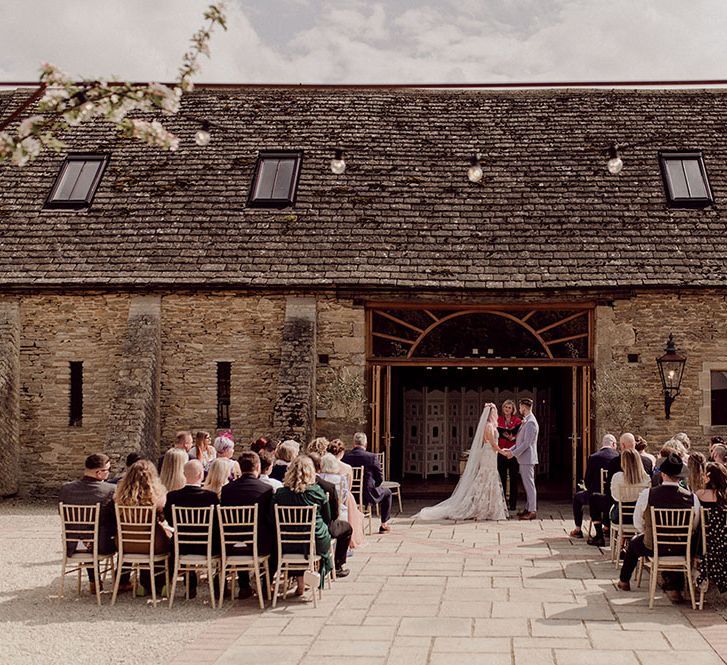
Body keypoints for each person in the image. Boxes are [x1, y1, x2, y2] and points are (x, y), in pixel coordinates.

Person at [617, 452, 700, 603]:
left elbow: (637, 522)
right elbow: (694, 525)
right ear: (680, 477)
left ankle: (624, 581)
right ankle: (674, 588)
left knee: (634, 544)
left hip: (653, 545)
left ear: (662, 475)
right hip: (682, 547)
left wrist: (647, 532)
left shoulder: (648, 494)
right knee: (677, 543)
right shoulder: (692, 498)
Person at [415, 404, 508, 522]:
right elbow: (493, 445)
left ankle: (488, 508)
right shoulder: (489, 426)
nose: (496, 414)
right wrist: (503, 452)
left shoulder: (490, 425)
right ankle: (482, 508)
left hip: (490, 454)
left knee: (488, 478)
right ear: (491, 414)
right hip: (489, 453)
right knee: (487, 477)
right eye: (495, 412)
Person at [58, 453, 119, 595]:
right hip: (100, 545)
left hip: (73, 544)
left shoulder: (66, 489)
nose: (109, 474)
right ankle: (122, 580)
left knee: (87, 532)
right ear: (99, 473)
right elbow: (114, 519)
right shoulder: (110, 490)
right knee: (111, 532)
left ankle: (94, 580)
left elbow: (62, 514)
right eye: (108, 470)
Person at [273, 455, 333, 595]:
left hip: (287, 542)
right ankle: (309, 579)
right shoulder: (317, 492)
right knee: (309, 538)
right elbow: (327, 517)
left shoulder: (281, 494)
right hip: (314, 541)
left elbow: (272, 517)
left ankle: (301, 582)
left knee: (297, 539)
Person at [220, 451, 276, 599]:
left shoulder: (226, 490)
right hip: (259, 544)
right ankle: (266, 583)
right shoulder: (266, 489)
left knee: (241, 536)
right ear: (257, 467)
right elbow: (270, 518)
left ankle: (244, 586)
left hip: (231, 544)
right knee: (275, 542)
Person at [164, 460, 220, 600]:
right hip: (206, 546)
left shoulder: (172, 497)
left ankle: (190, 583)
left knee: (174, 541)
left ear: (183, 474)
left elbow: (169, 521)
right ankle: (219, 587)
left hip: (181, 546)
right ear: (201, 474)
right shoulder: (211, 497)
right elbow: (217, 523)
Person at [114, 460, 171, 596]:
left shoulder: (119, 498)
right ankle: (161, 583)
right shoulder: (158, 498)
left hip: (125, 543)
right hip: (152, 543)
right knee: (165, 541)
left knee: (146, 540)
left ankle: (144, 584)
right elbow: (164, 518)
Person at [308, 452, 352, 577]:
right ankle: (337, 565)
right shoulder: (328, 487)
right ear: (319, 466)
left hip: (295, 531)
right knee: (347, 528)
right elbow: (334, 514)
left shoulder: (292, 487)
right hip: (321, 529)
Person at [569, 434, 618, 538]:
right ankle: (608, 527)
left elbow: (587, 479)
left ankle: (578, 529)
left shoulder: (594, 457)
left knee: (577, 497)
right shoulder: (618, 457)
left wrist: (589, 487)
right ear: (613, 444)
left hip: (595, 494)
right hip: (612, 496)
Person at [344, 432, 396, 531]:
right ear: (366, 444)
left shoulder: (346, 457)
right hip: (368, 493)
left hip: (350, 493)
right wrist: (375, 486)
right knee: (388, 492)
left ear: (353, 444)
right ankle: (383, 524)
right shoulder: (371, 457)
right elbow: (380, 478)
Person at [501, 398, 539, 520]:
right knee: (527, 484)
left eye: (520, 406)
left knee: (529, 485)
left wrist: (513, 453)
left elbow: (526, 443)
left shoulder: (531, 422)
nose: (520, 409)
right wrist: (510, 450)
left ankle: (532, 510)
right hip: (523, 458)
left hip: (527, 458)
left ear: (523, 407)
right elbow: (519, 441)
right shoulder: (526, 421)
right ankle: (528, 508)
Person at [324, 445, 365, 548]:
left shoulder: (318, 477)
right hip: (340, 502)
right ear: (341, 453)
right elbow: (348, 489)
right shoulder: (343, 473)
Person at [696, 463, 727, 593]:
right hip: (724, 542)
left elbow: (696, 518)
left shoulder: (699, 494)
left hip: (703, 543)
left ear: (708, 476)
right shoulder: (725, 495)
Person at [496, 399, 522, 512]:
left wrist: (514, 438)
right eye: (505, 407)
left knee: (513, 478)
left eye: (509, 408)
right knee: (501, 478)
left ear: (513, 410)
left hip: (512, 452)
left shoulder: (517, 420)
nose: (507, 409)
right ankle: (502, 503)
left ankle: (512, 504)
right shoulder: (498, 419)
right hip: (501, 452)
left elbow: (521, 435)